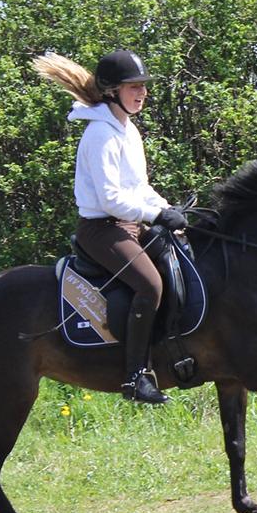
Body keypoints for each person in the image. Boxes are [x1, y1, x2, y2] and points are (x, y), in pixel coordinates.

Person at [33, 49, 187, 404]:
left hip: (130, 224)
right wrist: (157, 217)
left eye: (143, 86)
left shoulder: (128, 130)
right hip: (102, 229)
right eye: (134, 86)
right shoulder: (100, 135)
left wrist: (167, 209)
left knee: (182, 255)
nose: (142, 93)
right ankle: (135, 377)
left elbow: (139, 188)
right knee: (149, 285)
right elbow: (109, 199)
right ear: (112, 91)